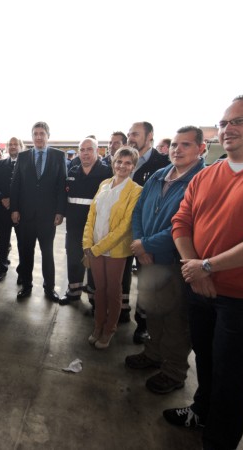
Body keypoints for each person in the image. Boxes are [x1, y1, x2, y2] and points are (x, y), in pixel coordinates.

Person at [164, 95, 243, 450]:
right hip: (200, 287)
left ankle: (219, 440)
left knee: (231, 375)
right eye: (223, 123)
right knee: (205, 358)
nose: (227, 129)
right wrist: (195, 269)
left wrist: (206, 266)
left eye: (238, 121)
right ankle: (202, 411)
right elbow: (181, 221)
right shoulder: (208, 175)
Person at [125, 126, 205, 394]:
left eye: (185, 145)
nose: (177, 150)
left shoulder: (201, 180)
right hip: (147, 258)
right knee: (153, 310)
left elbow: (185, 226)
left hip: (174, 259)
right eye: (174, 145)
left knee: (175, 319)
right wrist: (140, 244)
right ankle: (153, 354)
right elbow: (138, 211)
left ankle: (173, 371)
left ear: (201, 149)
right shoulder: (159, 175)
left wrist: (146, 243)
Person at [83, 147, 141, 349]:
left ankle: (109, 329)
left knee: (113, 291)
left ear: (133, 166)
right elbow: (92, 215)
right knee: (100, 290)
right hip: (95, 247)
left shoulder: (135, 190)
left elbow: (125, 226)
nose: (122, 166)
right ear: (113, 162)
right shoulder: (104, 184)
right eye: (119, 161)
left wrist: (98, 248)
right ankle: (98, 325)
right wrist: (87, 243)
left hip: (115, 250)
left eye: (127, 163)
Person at [124, 122, 170, 343]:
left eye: (135, 133)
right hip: (121, 232)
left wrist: (143, 241)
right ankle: (121, 310)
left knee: (146, 282)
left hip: (144, 235)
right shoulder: (124, 161)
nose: (130, 137)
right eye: (129, 133)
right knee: (121, 274)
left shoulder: (163, 165)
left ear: (150, 136)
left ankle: (143, 325)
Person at [10, 122, 67, 302]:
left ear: (48, 136)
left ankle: (49, 288)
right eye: (35, 134)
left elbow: (61, 185)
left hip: (48, 217)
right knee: (26, 253)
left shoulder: (58, 156)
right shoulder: (23, 156)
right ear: (32, 136)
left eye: (42, 133)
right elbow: (15, 184)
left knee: (47, 254)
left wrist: (60, 211)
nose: (39, 137)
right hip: (26, 216)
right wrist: (14, 209)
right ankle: (26, 286)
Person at [59, 138, 111, 306]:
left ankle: (95, 297)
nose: (85, 153)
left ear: (97, 152)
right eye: (82, 150)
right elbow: (64, 197)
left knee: (95, 262)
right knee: (74, 259)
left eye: (89, 149)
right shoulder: (72, 172)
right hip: (74, 228)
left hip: (97, 229)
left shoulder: (107, 174)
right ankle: (73, 292)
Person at [0, 137, 24, 282]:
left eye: (15, 144)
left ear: (21, 147)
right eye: (10, 144)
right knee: (3, 242)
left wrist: (16, 203)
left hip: (22, 212)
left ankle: (22, 272)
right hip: (2, 210)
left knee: (23, 243)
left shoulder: (28, 165)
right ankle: (2, 268)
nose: (12, 147)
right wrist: (1, 198)